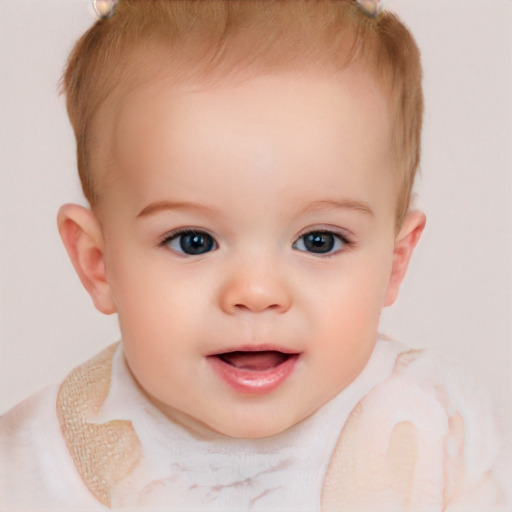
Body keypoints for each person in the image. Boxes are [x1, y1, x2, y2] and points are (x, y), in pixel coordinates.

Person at [0, 1, 508, 510]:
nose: (257, 292)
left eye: (320, 241)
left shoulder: (440, 429)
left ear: (394, 263)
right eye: (193, 241)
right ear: (97, 262)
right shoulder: (31, 463)